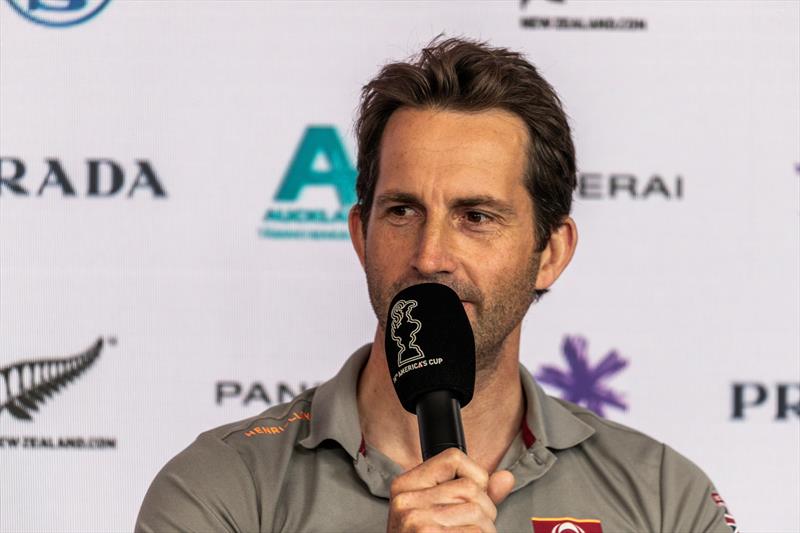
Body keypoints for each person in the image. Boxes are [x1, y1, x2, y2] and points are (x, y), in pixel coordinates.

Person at [136, 38, 737, 533]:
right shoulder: (220, 489)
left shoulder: (665, 500)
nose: (430, 255)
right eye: (402, 211)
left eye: (476, 216)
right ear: (360, 235)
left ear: (550, 253)